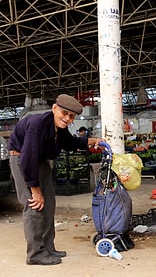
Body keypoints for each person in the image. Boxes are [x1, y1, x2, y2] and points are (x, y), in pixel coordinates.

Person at [8, 94, 104, 266]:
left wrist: (93, 141)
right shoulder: (38, 124)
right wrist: (35, 190)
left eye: (71, 116)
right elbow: (28, 159)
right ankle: (35, 254)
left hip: (41, 162)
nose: (67, 118)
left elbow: (69, 142)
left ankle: (47, 247)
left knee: (49, 204)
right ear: (54, 109)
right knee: (34, 205)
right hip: (22, 160)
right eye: (64, 113)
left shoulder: (59, 128)